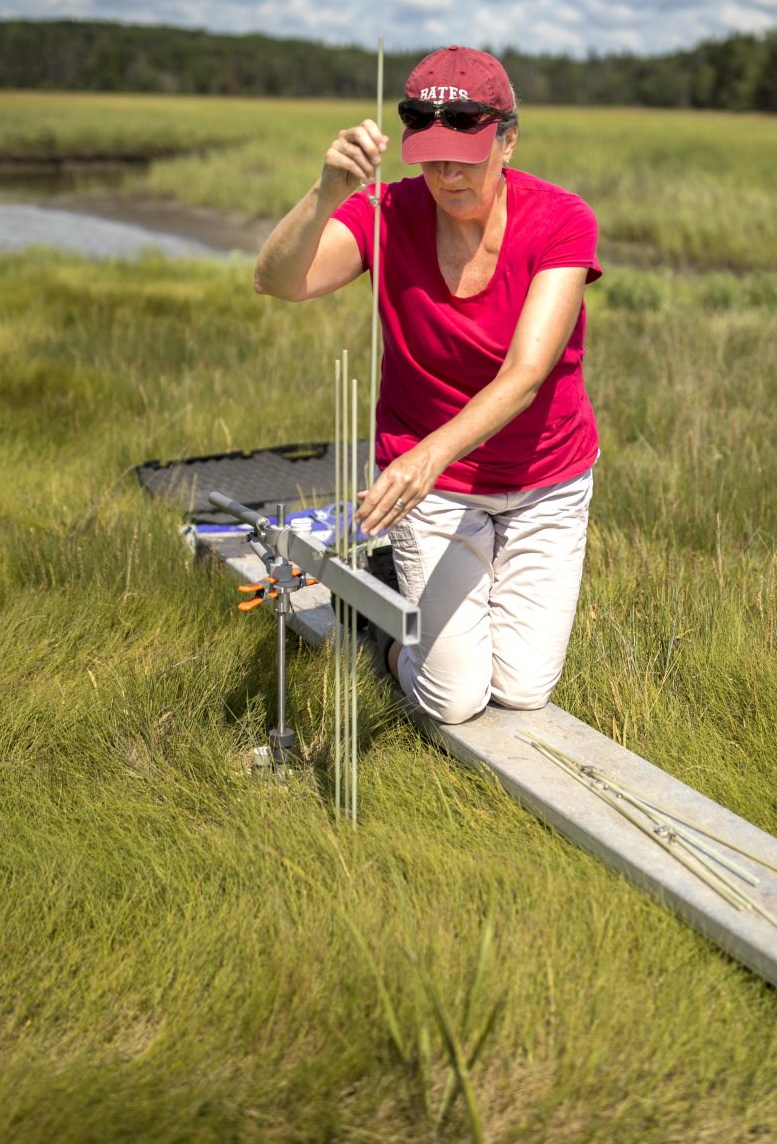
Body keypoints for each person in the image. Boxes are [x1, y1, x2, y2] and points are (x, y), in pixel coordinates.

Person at [252, 45, 601, 723]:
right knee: (452, 698)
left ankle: (407, 583)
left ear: (507, 140)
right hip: (435, 488)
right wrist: (328, 192)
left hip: (543, 477)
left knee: (522, 689)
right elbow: (277, 282)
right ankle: (377, 621)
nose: (446, 174)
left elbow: (526, 374)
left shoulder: (561, 219)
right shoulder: (386, 210)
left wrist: (424, 456)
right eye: (431, 156)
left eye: (466, 155)